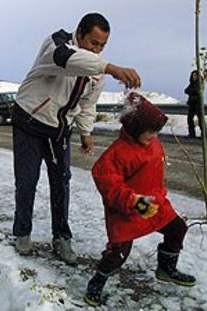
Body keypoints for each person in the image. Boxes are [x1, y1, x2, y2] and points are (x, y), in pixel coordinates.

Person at [11, 12, 141, 265]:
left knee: (61, 182)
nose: (97, 50)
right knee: (27, 180)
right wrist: (112, 68)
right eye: (93, 42)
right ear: (79, 32)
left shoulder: (97, 71)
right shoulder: (56, 43)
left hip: (58, 129)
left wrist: (86, 132)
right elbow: (67, 59)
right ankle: (22, 232)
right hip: (28, 121)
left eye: (103, 45)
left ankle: (61, 238)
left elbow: (87, 103)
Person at [84, 92, 196, 307]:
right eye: (149, 133)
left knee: (177, 229)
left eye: (156, 133)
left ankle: (166, 268)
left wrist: (157, 197)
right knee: (118, 255)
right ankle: (97, 281)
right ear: (135, 129)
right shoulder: (116, 154)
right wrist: (134, 201)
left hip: (155, 204)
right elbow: (109, 184)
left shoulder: (152, 144)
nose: (153, 137)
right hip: (127, 210)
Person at [184, 70, 203, 138]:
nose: (194, 77)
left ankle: (204, 134)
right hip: (192, 103)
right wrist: (192, 91)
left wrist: (192, 91)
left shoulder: (200, 83)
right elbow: (186, 90)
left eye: (195, 75)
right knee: (190, 118)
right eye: (193, 76)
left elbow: (196, 91)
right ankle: (192, 134)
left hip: (198, 103)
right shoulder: (192, 84)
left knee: (200, 119)